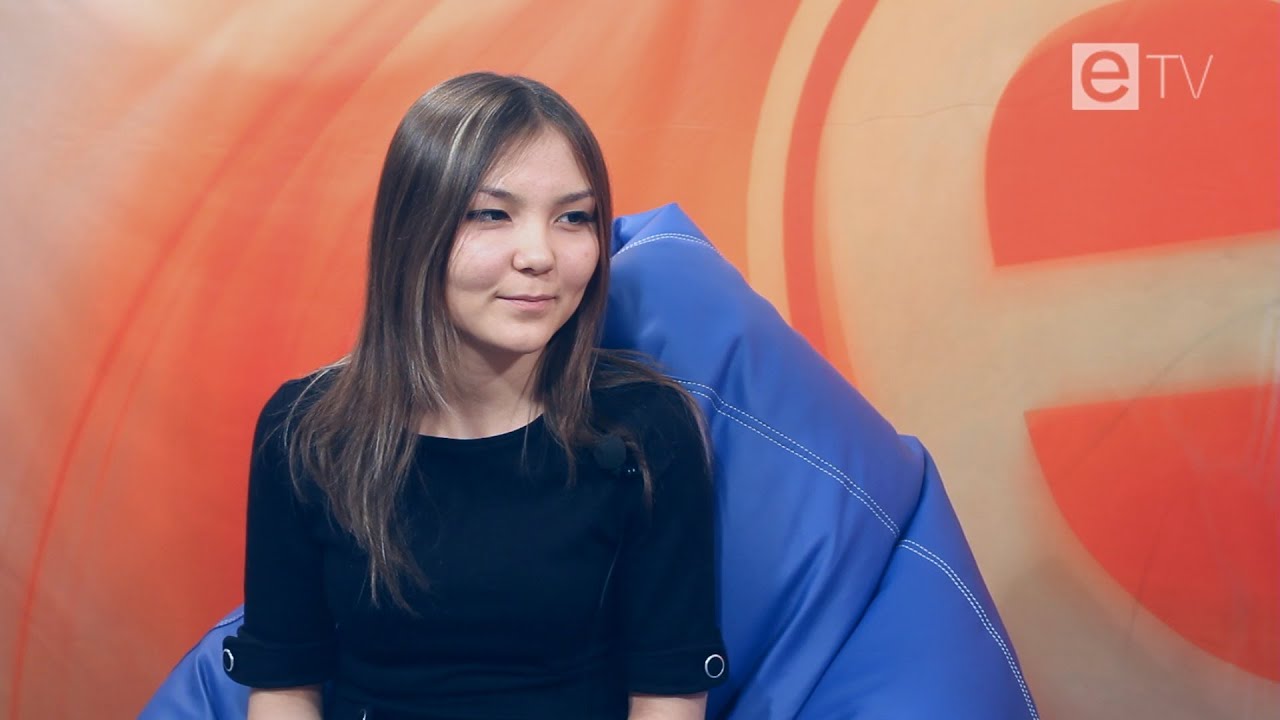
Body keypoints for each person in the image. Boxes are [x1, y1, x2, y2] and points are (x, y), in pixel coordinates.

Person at [220, 72, 728, 719]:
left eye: (573, 218)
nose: (539, 255)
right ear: (412, 231)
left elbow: (669, 694)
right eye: (492, 214)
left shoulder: (648, 428)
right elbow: (284, 685)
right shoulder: (307, 431)